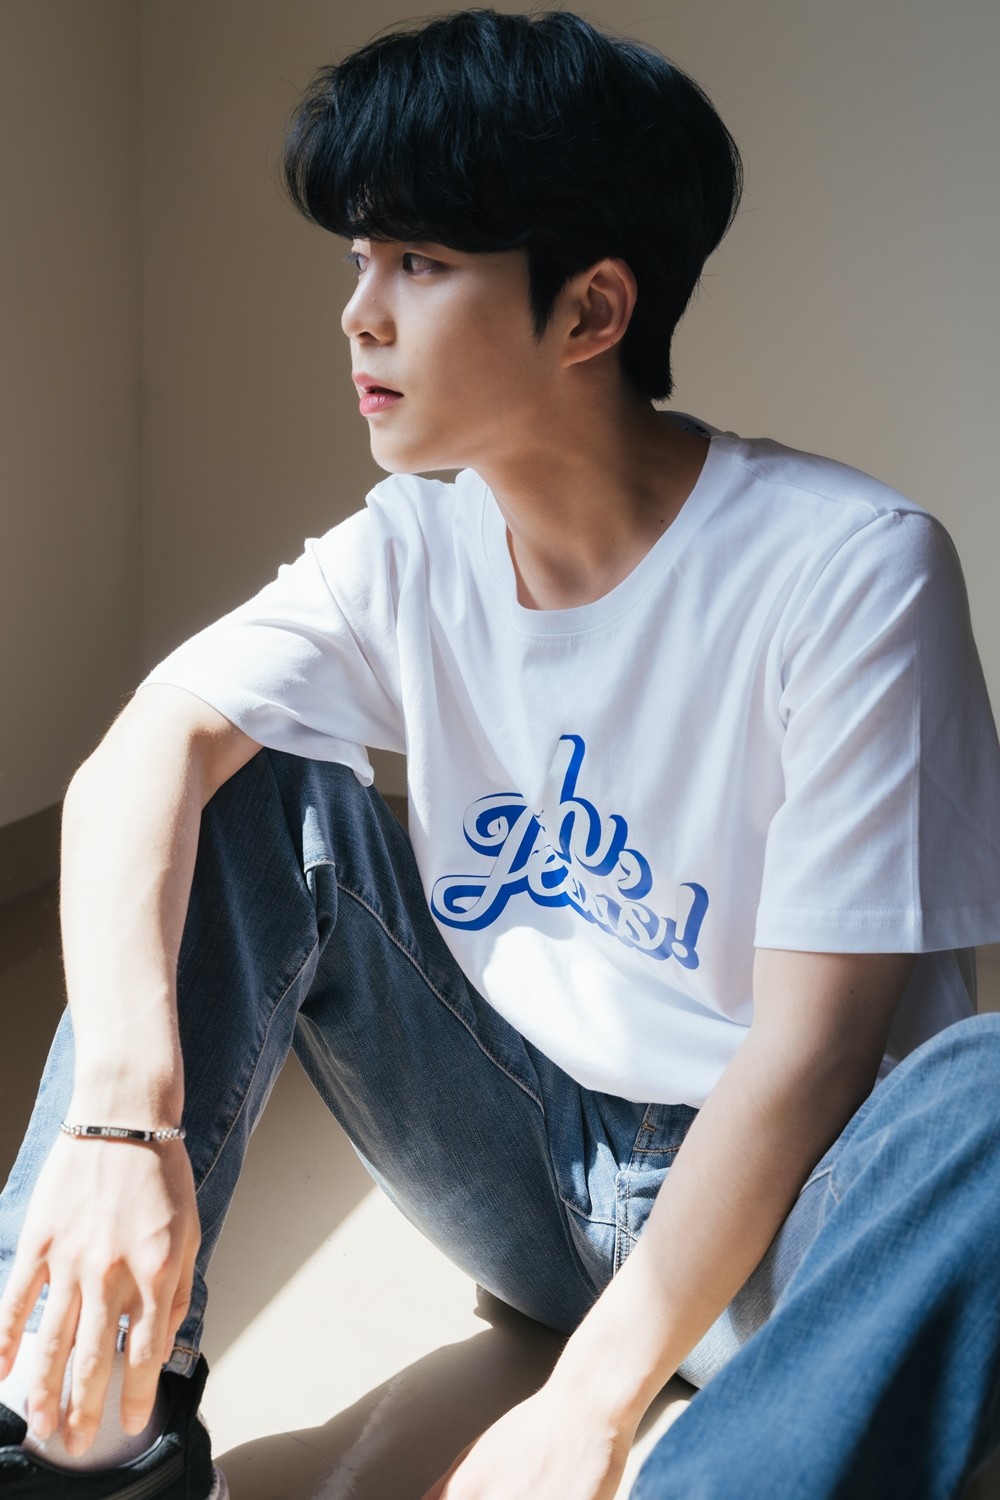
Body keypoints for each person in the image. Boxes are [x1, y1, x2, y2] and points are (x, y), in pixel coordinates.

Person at [2, 9, 1000, 1498]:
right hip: (529, 1164)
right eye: (362, 260)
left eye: (419, 261)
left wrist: (587, 1404)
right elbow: (142, 750)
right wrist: (121, 1121)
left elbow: (814, 1058)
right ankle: (75, 1437)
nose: (360, 314)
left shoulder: (850, 571)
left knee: (987, 1092)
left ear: (592, 311)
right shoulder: (416, 543)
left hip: (794, 1228)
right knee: (245, 778)